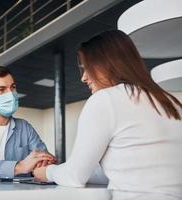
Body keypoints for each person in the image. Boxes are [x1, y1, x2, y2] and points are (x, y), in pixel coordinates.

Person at [33, 30, 182, 200]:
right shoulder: (170, 102)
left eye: (86, 67)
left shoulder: (105, 99)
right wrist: (68, 168)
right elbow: (130, 171)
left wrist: (46, 171)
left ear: (107, 63)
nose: (83, 77)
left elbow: (74, 176)